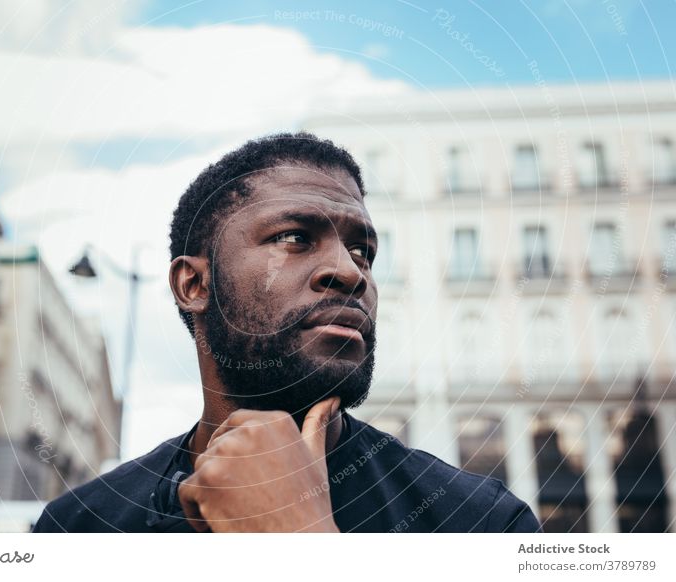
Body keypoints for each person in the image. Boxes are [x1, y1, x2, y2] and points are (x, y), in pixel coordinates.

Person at [33, 132, 541, 533]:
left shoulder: (480, 525)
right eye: (295, 237)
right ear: (193, 283)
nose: (350, 271)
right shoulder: (82, 527)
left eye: (363, 250)